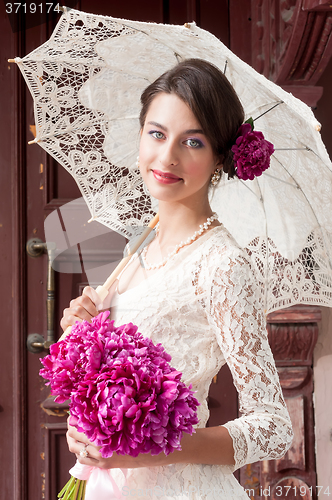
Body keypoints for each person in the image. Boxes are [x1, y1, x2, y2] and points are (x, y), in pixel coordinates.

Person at [61, 59, 293, 499]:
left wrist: (145, 450)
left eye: (193, 141)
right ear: (139, 136)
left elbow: (273, 427)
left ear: (221, 157)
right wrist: (81, 346)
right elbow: (115, 391)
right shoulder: (137, 251)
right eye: (157, 133)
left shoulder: (223, 265)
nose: (167, 157)